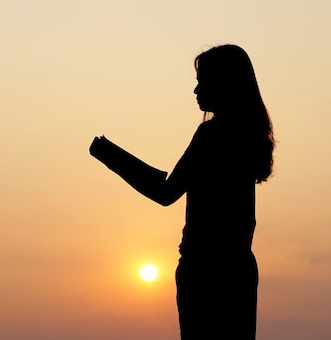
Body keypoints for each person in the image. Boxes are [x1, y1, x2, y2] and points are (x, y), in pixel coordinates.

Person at [89, 44, 274, 340]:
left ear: (223, 83)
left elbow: (165, 192)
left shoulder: (211, 136)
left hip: (204, 272)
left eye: (202, 81)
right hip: (239, 268)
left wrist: (108, 154)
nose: (196, 90)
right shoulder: (248, 137)